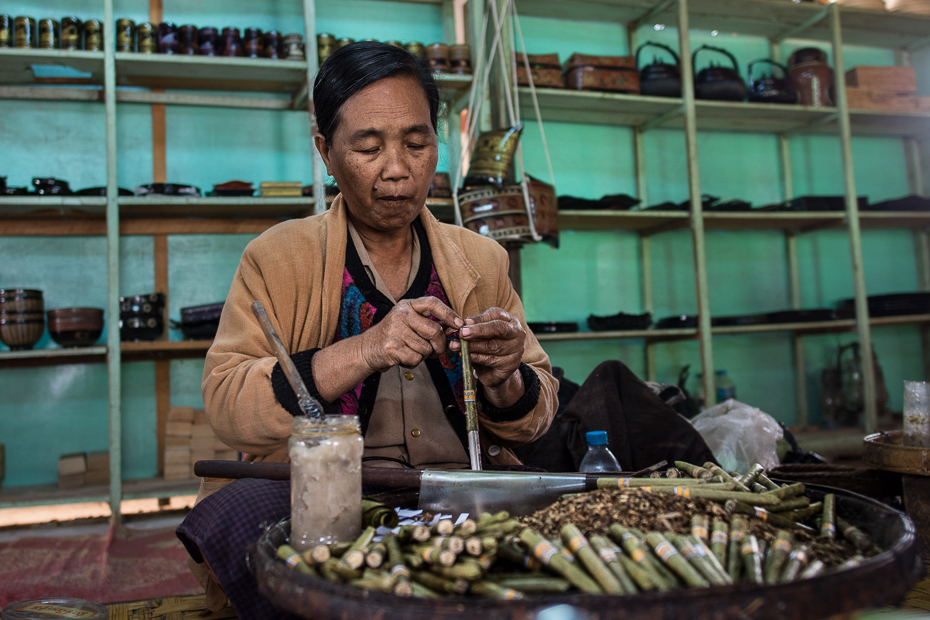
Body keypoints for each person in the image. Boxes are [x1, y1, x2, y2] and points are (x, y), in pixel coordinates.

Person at [176, 41, 558, 619]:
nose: (398, 169)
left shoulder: (481, 259)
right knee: (243, 514)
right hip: (325, 490)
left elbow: (537, 411)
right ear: (326, 153)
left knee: (566, 518)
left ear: (437, 142)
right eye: (369, 147)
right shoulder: (278, 257)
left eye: (416, 141)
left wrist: (506, 379)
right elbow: (229, 402)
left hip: (458, 488)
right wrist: (366, 348)